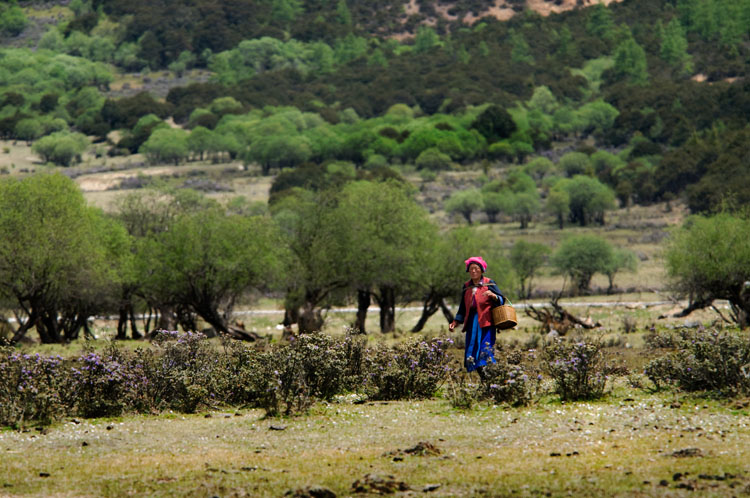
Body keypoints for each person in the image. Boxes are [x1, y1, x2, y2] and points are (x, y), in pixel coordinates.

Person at [449, 256, 505, 377]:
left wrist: (494, 296)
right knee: (472, 351)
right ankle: (485, 379)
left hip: (487, 323)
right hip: (472, 324)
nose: (473, 271)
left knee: (485, 350)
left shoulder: (489, 283)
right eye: (471, 269)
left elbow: (502, 300)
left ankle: (492, 377)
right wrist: (456, 321)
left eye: (476, 268)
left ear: (481, 270)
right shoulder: (466, 286)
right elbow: (462, 306)